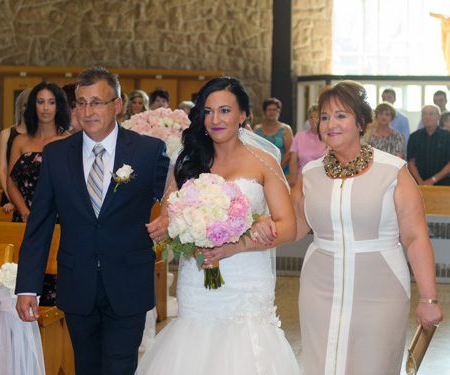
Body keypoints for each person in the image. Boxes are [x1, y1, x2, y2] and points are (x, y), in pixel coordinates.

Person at [137, 77, 300, 375]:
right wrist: (166, 224)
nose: (215, 119)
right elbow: (170, 210)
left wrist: (239, 243)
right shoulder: (188, 159)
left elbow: (288, 227)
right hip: (197, 277)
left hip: (246, 277)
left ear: (243, 115)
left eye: (225, 110)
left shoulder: (264, 162)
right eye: (208, 111)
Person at [15, 66, 169, 374]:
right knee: (86, 366)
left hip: (128, 282)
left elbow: (175, 194)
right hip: (77, 283)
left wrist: (168, 216)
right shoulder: (57, 155)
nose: (88, 110)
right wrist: (27, 287)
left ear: (117, 105)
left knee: (118, 366)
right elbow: (40, 224)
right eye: (81, 102)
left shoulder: (147, 151)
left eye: (97, 102)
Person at [293, 81, 442, 374]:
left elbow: (415, 238)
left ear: (361, 122)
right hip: (319, 288)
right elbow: (293, 228)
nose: (330, 124)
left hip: (381, 287)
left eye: (340, 115)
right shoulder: (309, 174)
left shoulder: (392, 170)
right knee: (323, 363)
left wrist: (428, 298)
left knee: (373, 363)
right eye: (324, 117)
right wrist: (240, 234)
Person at [7, 82, 71, 223]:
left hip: (60, 217)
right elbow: (11, 183)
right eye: (41, 102)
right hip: (25, 217)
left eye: (51, 102)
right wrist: (25, 213)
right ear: (33, 106)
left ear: (58, 107)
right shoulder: (20, 141)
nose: (46, 108)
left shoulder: (69, 141)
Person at [0, 88, 31, 214]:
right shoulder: (6, 133)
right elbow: (2, 169)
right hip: (9, 195)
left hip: (32, 196)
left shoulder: (39, 137)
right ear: (20, 108)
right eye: (26, 105)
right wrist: (13, 198)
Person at [409, 104, 450, 186]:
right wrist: (420, 182)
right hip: (418, 183)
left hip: (443, 183)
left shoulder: (449, 136)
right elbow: (411, 162)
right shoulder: (414, 136)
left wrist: (432, 180)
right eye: (424, 114)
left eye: (431, 114)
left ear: (438, 117)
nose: (427, 117)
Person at [288, 104, 327, 186]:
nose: (313, 120)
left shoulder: (329, 137)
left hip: (324, 181)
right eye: (311, 117)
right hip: (302, 180)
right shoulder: (299, 136)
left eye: (316, 117)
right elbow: (293, 162)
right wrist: (293, 180)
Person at [254, 97, 293, 174]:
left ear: (279, 112)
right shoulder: (257, 129)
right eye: (269, 109)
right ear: (264, 112)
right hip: (261, 169)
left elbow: (290, 152)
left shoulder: (285, 129)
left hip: (282, 169)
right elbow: (253, 149)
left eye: (275, 110)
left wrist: (279, 168)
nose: (272, 112)